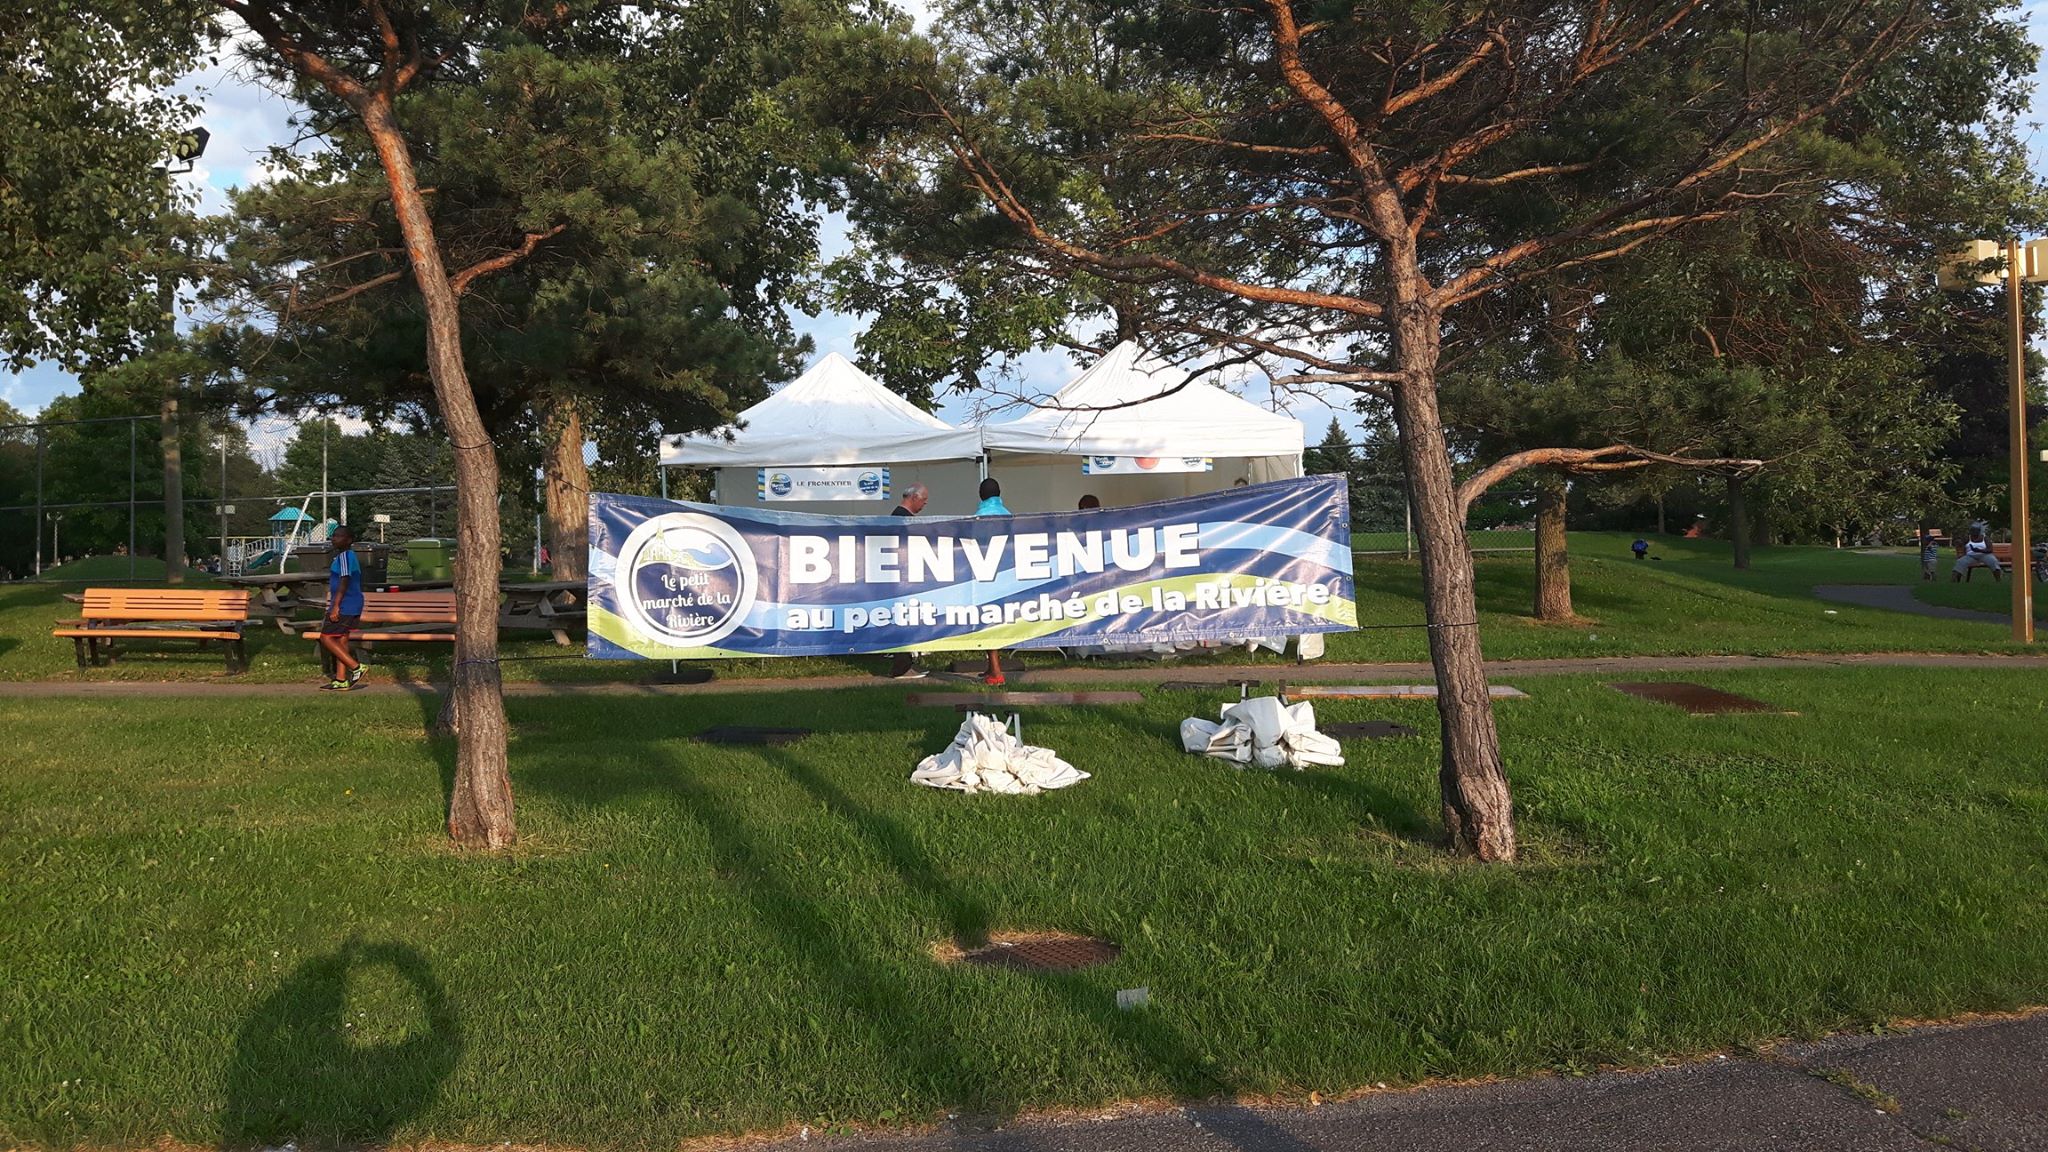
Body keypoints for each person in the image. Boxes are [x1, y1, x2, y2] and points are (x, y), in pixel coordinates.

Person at [886, 483, 931, 679]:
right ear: (913, 498)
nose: (925, 504)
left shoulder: (897, 517)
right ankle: (901, 667)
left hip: (903, 578)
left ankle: (906, 664)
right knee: (903, 621)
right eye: (923, 500)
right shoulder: (901, 519)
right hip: (901, 579)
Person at [318, 526, 367, 691]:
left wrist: (336, 606)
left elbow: (344, 581)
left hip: (346, 604)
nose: (334, 539)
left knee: (326, 637)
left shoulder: (345, 556)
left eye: (339, 536)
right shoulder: (343, 556)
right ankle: (340, 679)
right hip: (350, 603)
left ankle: (356, 667)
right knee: (341, 639)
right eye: (334, 536)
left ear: (349, 540)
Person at [976, 477, 1010, 685]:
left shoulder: (978, 518)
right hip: (1008, 574)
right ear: (999, 494)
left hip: (987, 574)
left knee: (989, 621)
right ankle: (992, 667)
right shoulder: (1009, 516)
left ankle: (996, 672)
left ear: (980, 496)